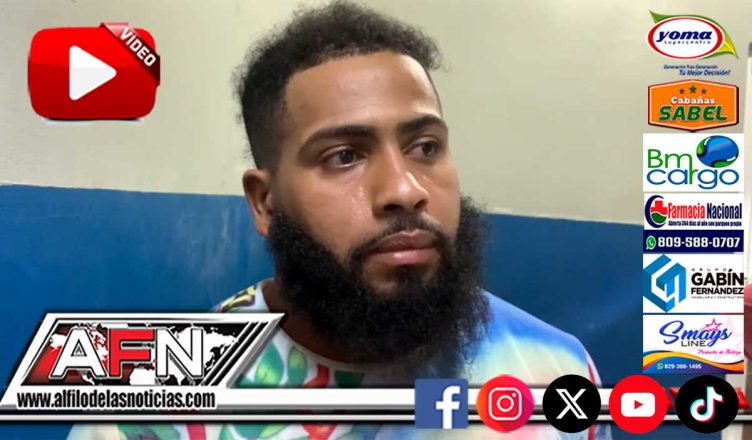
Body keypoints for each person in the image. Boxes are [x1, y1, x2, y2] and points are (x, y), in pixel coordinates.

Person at [70, 1, 607, 439]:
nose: (405, 190)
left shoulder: (554, 373)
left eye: (425, 147)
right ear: (265, 202)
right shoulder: (151, 410)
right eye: (344, 156)